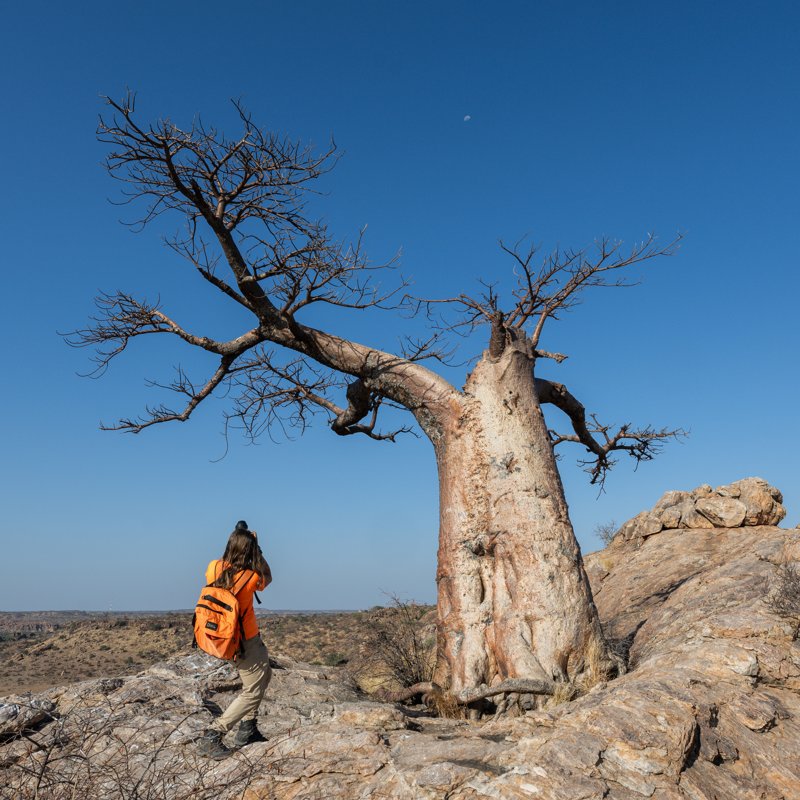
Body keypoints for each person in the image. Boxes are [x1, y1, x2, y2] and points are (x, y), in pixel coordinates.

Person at [198, 520, 272, 759]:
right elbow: (267, 578)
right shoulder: (251, 578)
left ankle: (248, 728)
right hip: (245, 640)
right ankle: (213, 734)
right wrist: (258, 549)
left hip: (222, 639)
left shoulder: (214, 567)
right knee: (254, 688)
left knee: (261, 677)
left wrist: (242, 540)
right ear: (250, 551)